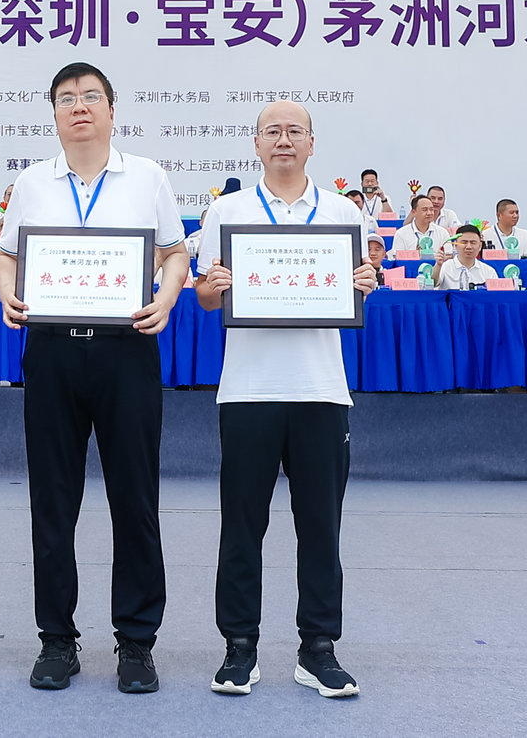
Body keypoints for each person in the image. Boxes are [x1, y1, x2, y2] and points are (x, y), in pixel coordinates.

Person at [0, 62, 188, 695]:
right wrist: (6, 292)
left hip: (126, 353)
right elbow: (6, 255)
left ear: (111, 110)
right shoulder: (32, 181)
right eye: (67, 99)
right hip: (52, 352)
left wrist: (166, 298)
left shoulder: (148, 176)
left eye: (91, 97)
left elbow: (175, 252)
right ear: (54, 113)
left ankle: (137, 641)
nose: (80, 107)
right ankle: (57, 639)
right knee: (52, 501)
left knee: (135, 499)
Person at [193, 100, 374, 700]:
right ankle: (239, 646)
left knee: (321, 526)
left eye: (295, 131)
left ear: (312, 142)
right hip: (248, 390)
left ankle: (318, 648)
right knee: (241, 526)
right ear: (256, 143)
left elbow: (356, 293)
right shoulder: (227, 212)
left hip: (321, 391)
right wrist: (213, 286)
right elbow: (205, 297)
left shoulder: (344, 212)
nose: (284, 140)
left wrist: (364, 285)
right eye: (272, 131)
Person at [388, 195, 450, 260]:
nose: (429, 213)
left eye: (431, 209)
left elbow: (449, 255)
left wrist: (438, 257)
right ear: (413, 212)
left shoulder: (442, 232)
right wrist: (415, 256)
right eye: (424, 210)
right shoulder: (401, 233)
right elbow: (397, 258)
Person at [434, 225, 495, 290]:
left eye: (473, 242)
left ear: (480, 246)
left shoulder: (489, 271)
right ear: (455, 245)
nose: (468, 247)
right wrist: (438, 265)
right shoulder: (445, 267)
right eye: (464, 242)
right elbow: (434, 283)